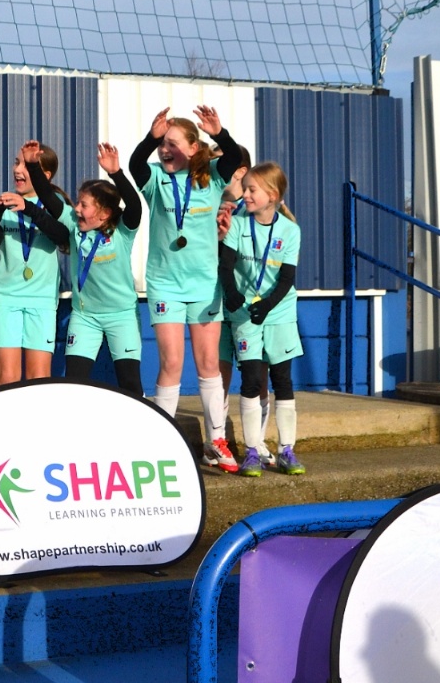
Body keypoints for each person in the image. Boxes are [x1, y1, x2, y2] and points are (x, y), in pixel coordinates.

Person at [128, 106, 250, 471]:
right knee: (171, 363)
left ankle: (216, 441)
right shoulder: (155, 178)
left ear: (194, 148)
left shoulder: (210, 178)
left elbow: (233, 159)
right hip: (165, 285)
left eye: (173, 143)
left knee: (209, 363)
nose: (165, 150)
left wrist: (219, 133)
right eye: (163, 144)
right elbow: (134, 165)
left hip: (204, 285)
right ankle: (162, 443)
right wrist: (150, 137)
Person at [219, 162, 305, 475]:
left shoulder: (290, 230)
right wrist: (231, 293)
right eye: (245, 189)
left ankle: (286, 450)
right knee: (252, 379)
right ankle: (253, 451)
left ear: (272, 195)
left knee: (282, 379)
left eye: (252, 190)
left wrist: (268, 304)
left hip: (278, 310)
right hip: (245, 311)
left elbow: (287, 278)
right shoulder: (239, 223)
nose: (246, 195)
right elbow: (226, 266)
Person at [62, 143, 145, 396]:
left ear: (105, 213)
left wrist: (116, 173)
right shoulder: (76, 227)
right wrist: (33, 167)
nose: (77, 209)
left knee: (130, 383)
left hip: (122, 315)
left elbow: (135, 207)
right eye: (78, 203)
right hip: (85, 316)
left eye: (84, 205)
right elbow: (51, 204)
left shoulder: (122, 232)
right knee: (74, 382)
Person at [0, 140, 71, 386]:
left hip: (41, 297)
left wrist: (30, 209)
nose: (17, 169)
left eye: (25, 165)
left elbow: (63, 237)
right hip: (6, 295)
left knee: (38, 377)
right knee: (7, 377)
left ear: (45, 174)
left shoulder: (55, 203)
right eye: (16, 163)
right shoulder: (5, 201)